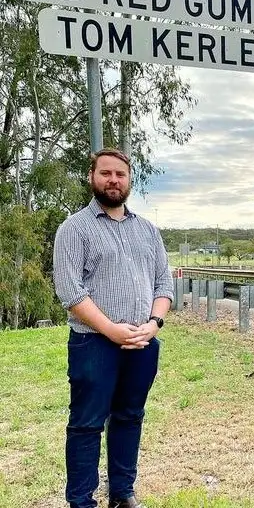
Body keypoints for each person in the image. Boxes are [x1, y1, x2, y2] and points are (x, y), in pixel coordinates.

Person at [53, 148, 174, 508]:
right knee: (87, 423)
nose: (113, 180)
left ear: (129, 180)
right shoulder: (74, 228)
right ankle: (81, 501)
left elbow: (164, 284)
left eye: (120, 174)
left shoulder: (147, 230)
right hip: (93, 343)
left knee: (130, 417)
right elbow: (70, 291)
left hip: (142, 343)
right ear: (92, 177)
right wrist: (110, 329)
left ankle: (122, 494)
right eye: (105, 173)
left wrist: (154, 324)